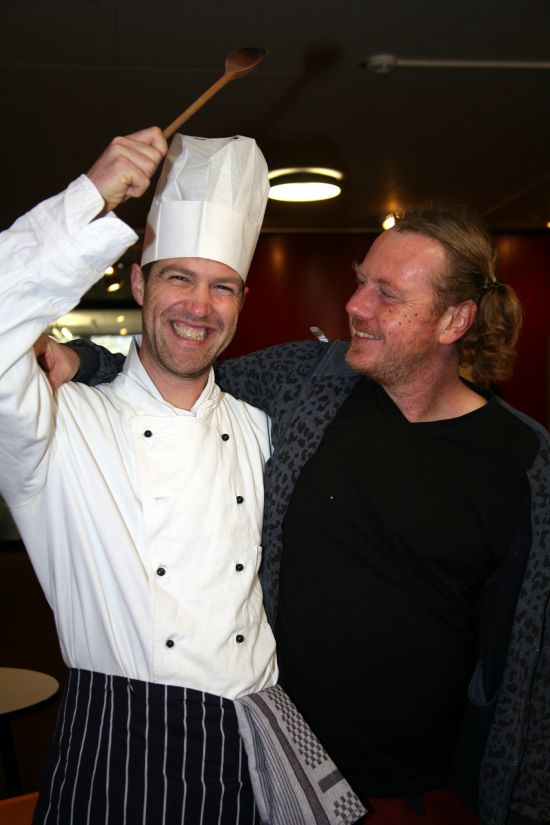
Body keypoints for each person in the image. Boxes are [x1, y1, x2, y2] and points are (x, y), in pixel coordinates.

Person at [54, 203, 550, 825]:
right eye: (361, 281)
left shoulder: (526, 461)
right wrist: (83, 360)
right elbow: (178, 373)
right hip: (282, 770)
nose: (355, 305)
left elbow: (534, 661)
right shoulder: (310, 382)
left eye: (387, 294)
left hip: (428, 792)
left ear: (454, 320)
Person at [0, 129, 279, 825]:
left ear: (241, 301)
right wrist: (88, 199)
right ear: (137, 283)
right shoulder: (59, 424)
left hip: (255, 741)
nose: (200, 307)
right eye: (178, 277)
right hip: (121, 747)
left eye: (222, 286)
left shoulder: (258, 428)